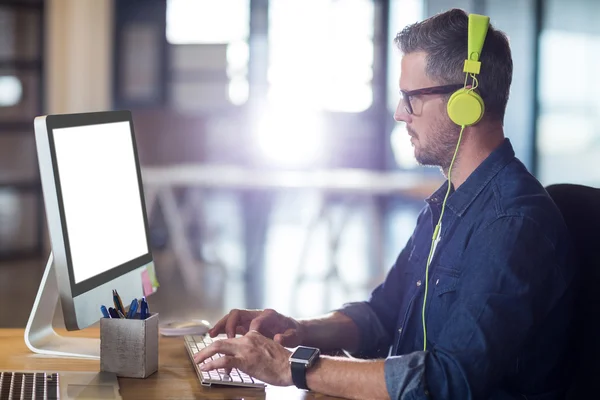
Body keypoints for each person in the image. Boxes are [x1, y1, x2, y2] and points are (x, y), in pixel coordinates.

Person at [194, 8, 577, 400]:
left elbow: (448, 379)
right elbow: (380, 314)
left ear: (467, 102)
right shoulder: (448, 203)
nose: (399, 114)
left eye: (412, 98)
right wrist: (299, 330)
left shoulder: (511, 224)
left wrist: (288, 366)